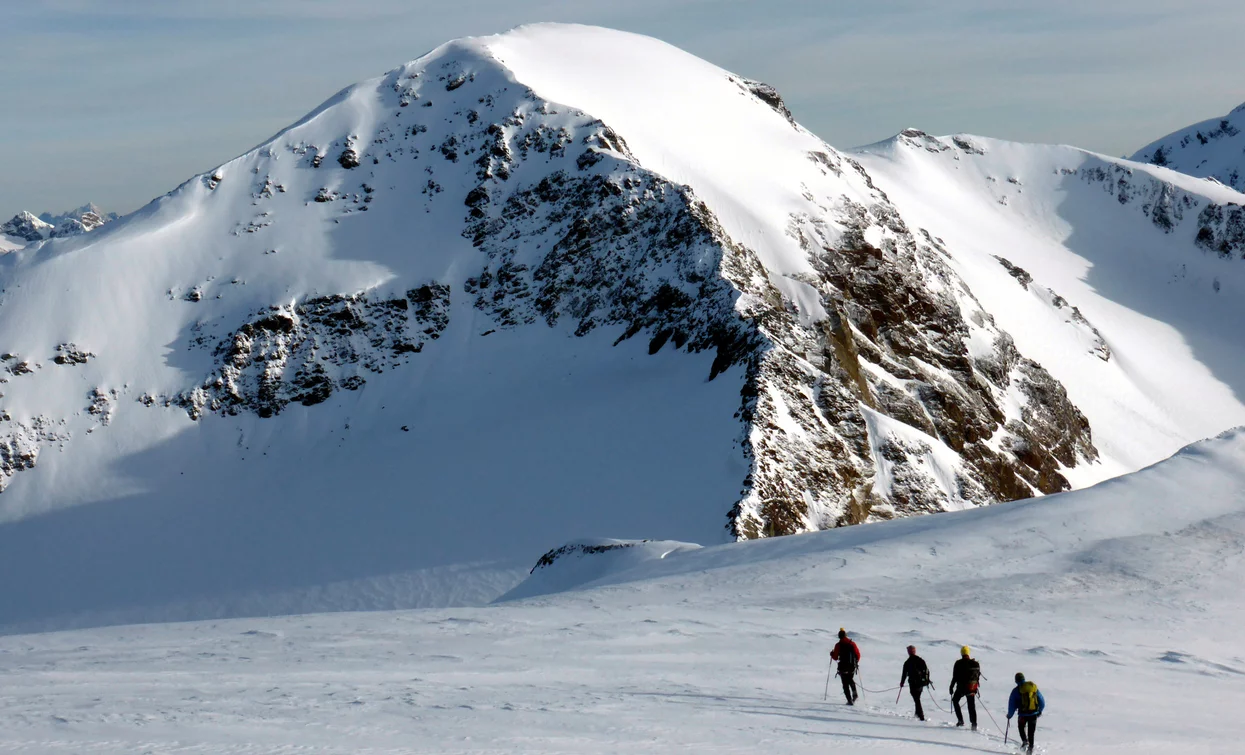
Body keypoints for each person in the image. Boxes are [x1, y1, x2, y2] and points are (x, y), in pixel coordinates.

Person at [1007, 672, 1045, 753]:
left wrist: (1009, 715)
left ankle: (1025, 741)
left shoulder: (1016, 691)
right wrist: (1039, 711)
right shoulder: (1033, 687)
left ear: (1016, 681)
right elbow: (1042, 701)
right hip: (1033, 714)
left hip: (1022, 715)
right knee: (1031, 732)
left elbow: (1012, 704)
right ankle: (1030, 747)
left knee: (1021, 728)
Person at [949, 645, 981, 730]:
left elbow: (955, 677)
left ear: (961, 653)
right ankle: (974, 724)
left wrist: (951, 687)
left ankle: (960, 720)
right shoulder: (975, 663)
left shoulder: (958, 663)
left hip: (961, 688)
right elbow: (977, 677)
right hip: (972, 688)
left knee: (955, 701)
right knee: (971, 706)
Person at [830, 628, 861, 705]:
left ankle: (849, 700)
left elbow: (835, 657)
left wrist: (832, 654)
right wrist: (855, 662)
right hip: (851, 666)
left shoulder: (838, 645)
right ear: (846, 635)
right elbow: (858, 655)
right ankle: (855, 694)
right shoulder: (852, 644)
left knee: (845, 683)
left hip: (843, 667)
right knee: (850, 679)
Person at [899, 645, 931, 720]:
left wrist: (902, 682)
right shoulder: (920, 660)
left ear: (909, 652)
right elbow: (927, 671)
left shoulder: (908, 662)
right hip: (921, 683)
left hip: (913, 683)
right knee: (917, 698)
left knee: (916, 699)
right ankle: (917, 714)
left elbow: (904, 674)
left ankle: (921, 716)